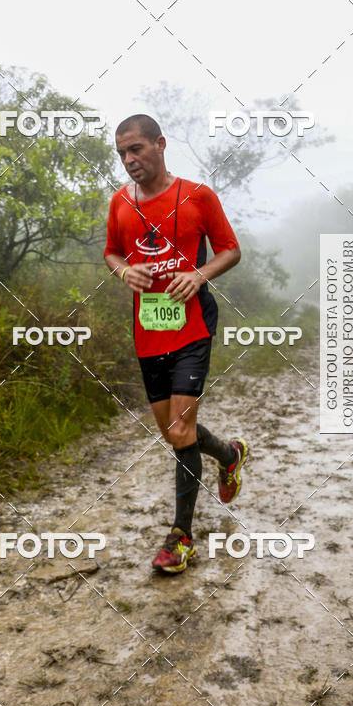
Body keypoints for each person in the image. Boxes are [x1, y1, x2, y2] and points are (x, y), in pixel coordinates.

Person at [104, 114, 248, 573]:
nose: (129, 160)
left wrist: (198, 274)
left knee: (182, 432)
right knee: (173, 434)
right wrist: (125, 271)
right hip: (149, 330)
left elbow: (230, 249)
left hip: (192, 328)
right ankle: (230, 454)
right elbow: (111, 252)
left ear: (160, 145)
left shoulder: (197, 196)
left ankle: (181, 538)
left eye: (137, 149)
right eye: (122, 153)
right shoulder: (120, 203)